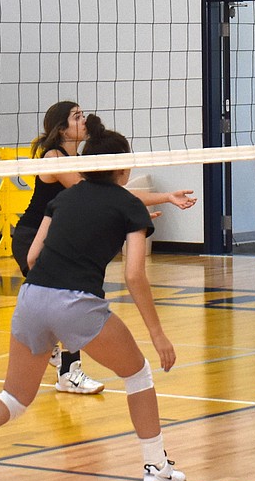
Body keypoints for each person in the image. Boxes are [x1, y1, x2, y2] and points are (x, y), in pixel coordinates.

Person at [0, 114, 185, 481]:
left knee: (14, 396)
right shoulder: (130, 207)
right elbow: (134, 275)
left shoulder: (64, 198)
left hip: (32, 296)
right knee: (138, 374)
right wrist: (158, 334)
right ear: (124, 167)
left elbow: (31, 255)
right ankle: (157, 469)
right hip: (76, 301)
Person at [10, 101, 196, 395]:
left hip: (58, 232)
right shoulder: (55, 157)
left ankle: (63, 365)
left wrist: (155, 201)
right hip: (35, 234)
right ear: (61, 128)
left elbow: (108, 196)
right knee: (63, 297)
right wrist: (143, 204)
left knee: (67, 299)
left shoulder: (80, 158)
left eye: (83, 115)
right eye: (76, 117)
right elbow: (104, 197)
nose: (83, 120)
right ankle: (64, 365)